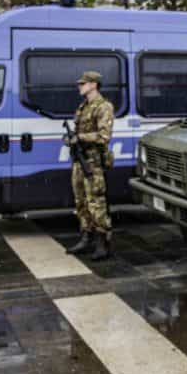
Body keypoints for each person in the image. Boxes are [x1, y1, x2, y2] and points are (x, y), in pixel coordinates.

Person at [65, 71, 115, 261]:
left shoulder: (103, 107)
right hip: (80, 160)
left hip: (93, 162)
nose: (80, 86)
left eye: (83, 83)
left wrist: (80, 138)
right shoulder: (83, 107)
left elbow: (104, 136)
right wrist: (71, 139)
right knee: (81, 201)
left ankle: (103, 243)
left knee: (96, 202)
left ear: (94, 85)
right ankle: (86, 237)